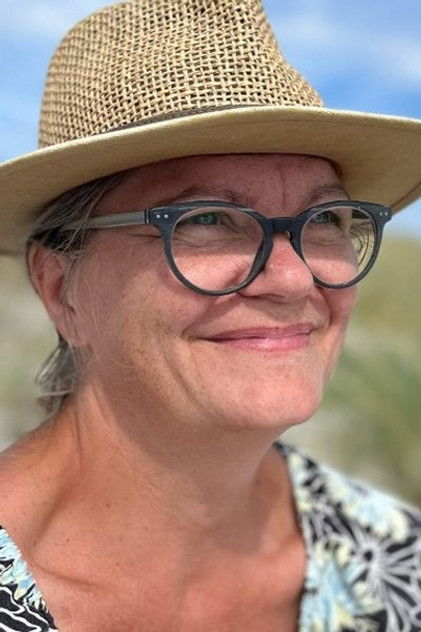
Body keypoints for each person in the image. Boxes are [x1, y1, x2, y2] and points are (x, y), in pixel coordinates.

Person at [0, 0, 420, 630]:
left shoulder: (395, 560)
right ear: (62, 290)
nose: (294, 278)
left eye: (326, 218)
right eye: (206, 219)